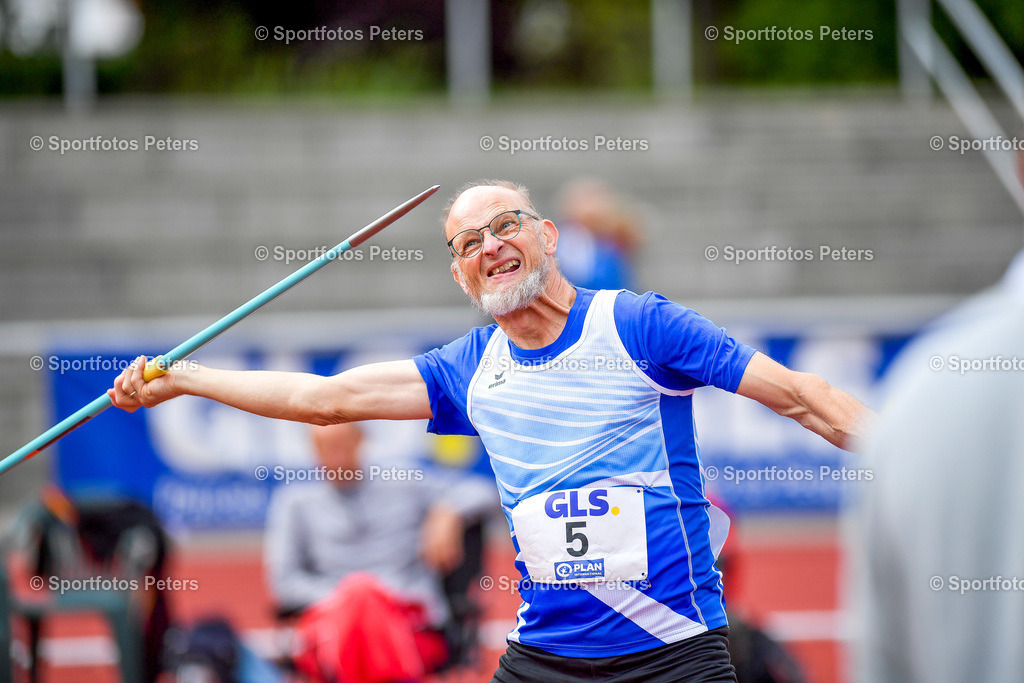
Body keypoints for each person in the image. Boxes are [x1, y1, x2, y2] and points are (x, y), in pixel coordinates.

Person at [109, 179, 872, 682]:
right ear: (460, 277)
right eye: (468, 243)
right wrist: (185, 379)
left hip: (673, 651)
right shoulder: (468, 369)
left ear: (547, 235)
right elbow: (326, 399)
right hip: (548, 658)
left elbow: (804, 397)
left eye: (503, 226)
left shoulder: (640, 325)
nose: (488, 246)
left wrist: (923, 463)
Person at [263, 421, 495, 681]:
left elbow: (483, 491)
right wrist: (351, 597)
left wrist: (448, 509)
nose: (334, 454)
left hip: (406, 617)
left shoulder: (403, 483)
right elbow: (284, 583)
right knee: (360, 595)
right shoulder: (295, 503)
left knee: (364, 601)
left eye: (341, 443)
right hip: (330, 620)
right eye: (324, 446)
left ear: (361, 440)